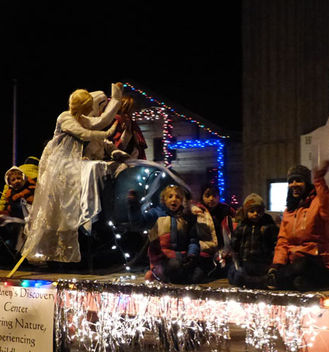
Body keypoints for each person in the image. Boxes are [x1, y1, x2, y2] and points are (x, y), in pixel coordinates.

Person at [22, 84, 123, 264]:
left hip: (69, 165)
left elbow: (98, 122)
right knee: (52, 209)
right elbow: (83, 134)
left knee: (67, 209)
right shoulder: (65, 117)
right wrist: (107, 133)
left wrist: (115, 100)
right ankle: (45, 252)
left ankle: (62, 254)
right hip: (56, 165)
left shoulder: (80, 118)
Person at [267, 160, 329, 291]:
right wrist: (277, 264)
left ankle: (274, 279)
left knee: (302, 264)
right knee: (297, 280)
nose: (294, 184)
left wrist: (319, 181)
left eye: (298, 180)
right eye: (291, 182)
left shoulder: (317, 203)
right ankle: (273, 278)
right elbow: (283, 241)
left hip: (318, 265)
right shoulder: (289, 210)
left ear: (307, 183)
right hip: (294, 266)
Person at [128, 184, 201, 284]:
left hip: (181, 256)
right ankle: (157, 274)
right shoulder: (156, 214)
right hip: (162, 259)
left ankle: (171, 276)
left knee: (198, 275)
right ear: (164, 200)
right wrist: (134, 206)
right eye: (170, 196)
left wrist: (192, 255)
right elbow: (138, 223)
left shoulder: (186, 218)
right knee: (174, 266)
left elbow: (193, 240)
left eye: (178, 197)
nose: (174, 199)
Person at [227, 193, 278, 289]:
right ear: (246, 212)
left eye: (259, 211)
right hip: (245, 260)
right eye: (252, 211)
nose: (255, 214)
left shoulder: (268, 225)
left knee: (260, 277)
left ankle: (260, 281)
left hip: (262, 261)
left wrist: (271, 258)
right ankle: (249, 281)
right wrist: (234, 252)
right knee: (238, 276)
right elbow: (235, 241)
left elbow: (274, 242)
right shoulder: (243, 225)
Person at [191, 183, 235, 280]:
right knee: (198, 277)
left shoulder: (226, 210)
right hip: (205, 253)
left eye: (214, 196)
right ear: (202, 196)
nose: (211, 199)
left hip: (223, 253)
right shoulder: (197, 211)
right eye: (207, 195)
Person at [111, 95, 147, 160]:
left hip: (135, 159)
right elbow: (118, 146)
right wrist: (127, 129)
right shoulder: (115, 120)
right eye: (132, 108)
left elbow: (138, 145)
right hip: (122, 160)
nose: (134, 110)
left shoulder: (132, 123)